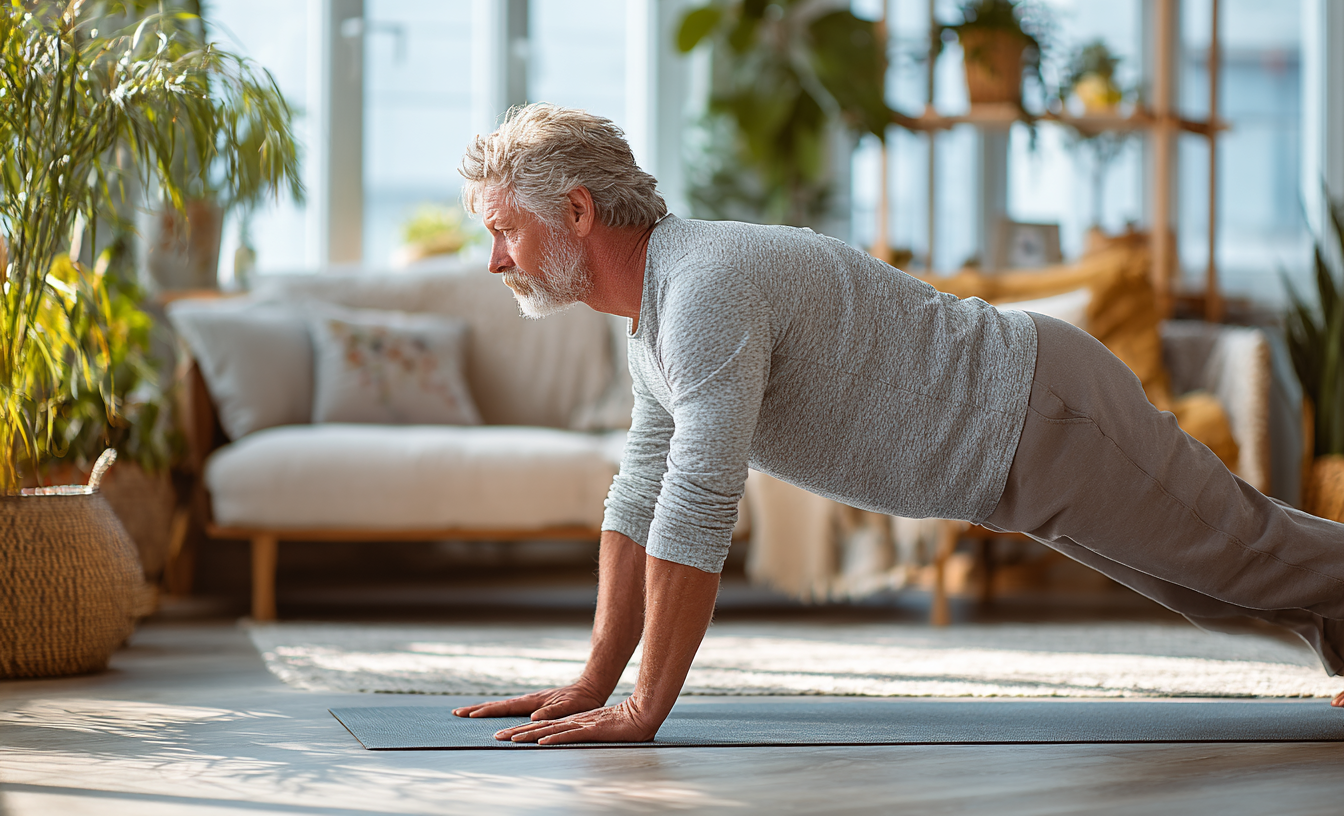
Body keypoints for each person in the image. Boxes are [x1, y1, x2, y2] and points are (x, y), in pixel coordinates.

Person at [451, 103, 1344, 745]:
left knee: (1247, 557)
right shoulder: (654, 316)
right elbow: (642, 491)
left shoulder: (704, 290)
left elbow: (697, 502)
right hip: (1019, 456)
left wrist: (647, 706)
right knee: (1218, 587)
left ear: (576, 211)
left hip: (1046, 413)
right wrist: (595, 680)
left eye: (506, 232)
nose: (496, 260)